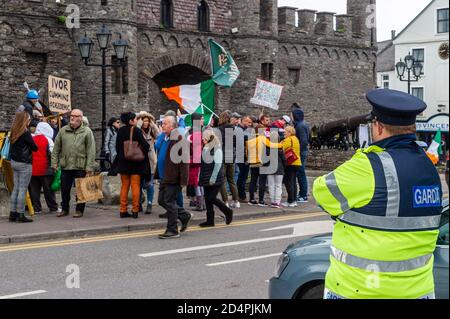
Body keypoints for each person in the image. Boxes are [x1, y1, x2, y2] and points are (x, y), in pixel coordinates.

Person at [313, 88, 443, 299]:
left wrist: (361, 156)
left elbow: (321, 191)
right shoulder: (428, 167)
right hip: (419, 292)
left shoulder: (368, 166)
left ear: (379, 127)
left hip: (362, 291)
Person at [51, 109, 96, 218]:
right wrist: (54, 163)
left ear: (81, 118)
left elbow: (91, 150)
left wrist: (89, 167)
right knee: (65, 189)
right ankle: (65, 209)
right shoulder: (63, 130)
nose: (72, 118)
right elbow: (56, 148)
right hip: (66, 165)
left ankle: (79, 210)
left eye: (75, 116)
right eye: (71, 115)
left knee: (81, 189)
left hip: (81, 165)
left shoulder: (87, 131)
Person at [157, 115, 192, 239]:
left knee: (169, 202)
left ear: (172, 126)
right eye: (162, 124)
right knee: (161, 200)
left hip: (173, 177)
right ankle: (184, 215)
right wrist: (162, 135)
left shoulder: (179, 138)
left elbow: (184, 161)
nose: (162, 126)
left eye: (165, 124)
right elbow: (157, 147)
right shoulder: (165, 137)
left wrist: (183, 180)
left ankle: (172, 230)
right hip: (164, 175)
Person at [115, 112, 150, 219]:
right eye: (135, 119)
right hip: (136, 163)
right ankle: (135, 210)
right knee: (135, 186)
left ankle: (123, 210)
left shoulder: (120, 131)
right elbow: (145, 145)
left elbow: (117, 147)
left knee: (124, 186)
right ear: (130, 121)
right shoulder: (136, 130)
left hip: (123, 162)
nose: (136, 121)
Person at [198, 129, 233, 227]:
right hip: (205, 176)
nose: (202, 140)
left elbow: (217, 165)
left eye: (204, 138)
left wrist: (212, 179)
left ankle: (228, 211)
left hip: (215, 177)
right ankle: (210, 220)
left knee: (211, 198)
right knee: (207, 199)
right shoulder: (205, 147)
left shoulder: (217, 148)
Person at [9, 111, 38, 223]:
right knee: (22, 189)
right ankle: (21, 214)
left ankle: (12, 213)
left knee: (16, 188)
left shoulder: (13, 132)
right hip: (24, 163)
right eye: (28, 119)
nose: (29, 121)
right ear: (25, 120)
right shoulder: (25, 133)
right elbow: (35, 148)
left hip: (14, 162)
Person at [29, 122, 60, 214]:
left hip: (33, 169)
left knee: (34, 190)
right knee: (48, 190)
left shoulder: (32, 138)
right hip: (45, 169)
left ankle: (37, 208)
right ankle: (53, 207)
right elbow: (53, 154)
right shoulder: (48, 140)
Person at [137, 111, 160, 214]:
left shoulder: (151, 131)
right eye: (143, 120)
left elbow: (159, 136)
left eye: (147, 120)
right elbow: (135, 134)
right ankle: (139, 203)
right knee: (139, 184)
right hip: (140, 161)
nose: (145, 123)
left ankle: (150, 204)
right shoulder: (138, 130)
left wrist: (154, 126)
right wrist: (138, 124)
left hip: (150, 161)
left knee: (150, 184)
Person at [218, 111, 240, 208]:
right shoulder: (232, 128)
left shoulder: (220, 129)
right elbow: (235, 143)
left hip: (222, 155)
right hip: (231, 155)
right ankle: (236, 201)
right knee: (231, 180)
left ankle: (225, 202)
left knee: (222, 180)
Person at [187, 112, 205, 212]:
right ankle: (201, 204)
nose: (203, 121)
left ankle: (200, 204)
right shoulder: (195, 132)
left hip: (196, 161)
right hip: (196, 160)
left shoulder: (197, 132)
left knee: (198, 183)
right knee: (197, 183)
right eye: (201, 119)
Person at [292, 107, 310, 203]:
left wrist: (297, 152)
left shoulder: (300, 126)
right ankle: (302, 194)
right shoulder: (304, 124)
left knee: (300, 173)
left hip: (300, 153)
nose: (291, 117)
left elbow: (304, 141)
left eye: (292, 115)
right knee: (300, 173)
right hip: (302, 152)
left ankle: (303, 195)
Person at [235, 115, 254, 202]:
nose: (249, 124)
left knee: (243, 176)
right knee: (242, 176)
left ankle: (241, 195)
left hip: (245, 155)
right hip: (242, 156)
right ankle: (241, 196)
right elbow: (240, 144)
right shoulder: (239, 130)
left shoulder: (244, 130)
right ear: (243, 121)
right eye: (248, 122)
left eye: (250, 122)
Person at [265, 131, 286, 209]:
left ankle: (273, 201)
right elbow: (284, 159)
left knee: (271, 185)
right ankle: (277, 202)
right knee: (278, 185)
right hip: (279, 168)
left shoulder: (267, 147)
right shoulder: (280, 147)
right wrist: (284, 167)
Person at [282, 126, 301, 208]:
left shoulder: (288, 139)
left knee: (288, 182)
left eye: (285, 132)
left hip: (290, 163)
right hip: (297, 162)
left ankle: (290, 201)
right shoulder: (296, 139)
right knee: (293, 182)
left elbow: (281, 148)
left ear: (289, 132)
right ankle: (294, 200)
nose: (284, 133)